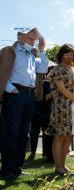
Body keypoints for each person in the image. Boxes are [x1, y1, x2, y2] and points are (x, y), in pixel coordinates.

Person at [0, 28, 48, 180]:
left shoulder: (32, 54)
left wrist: (42, 51)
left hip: (29, 95)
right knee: (11, 131)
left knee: (23, 132)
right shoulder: (9, 51)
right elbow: (1, 71)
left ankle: (16, 167)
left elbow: (43, 68)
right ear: (20, 38)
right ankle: (6, 168)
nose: (32, 42)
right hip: (15, 93)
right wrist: (11, 89)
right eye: (29, 39)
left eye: (33, 39)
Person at [46, 44, 74, 174]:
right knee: (60, 135)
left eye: (72, 54)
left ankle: (63, 164)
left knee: (68, 136)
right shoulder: (57, 69)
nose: (69, 56)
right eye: (67, 54)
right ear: (61, 55)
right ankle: (58, 166)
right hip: (61, 105)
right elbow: (62, 89)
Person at [38, 63, 57, 163]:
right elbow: (39, 99)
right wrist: (50, 95)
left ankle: (57, 157)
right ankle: (48, 156)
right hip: (46, 113)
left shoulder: (60, 83)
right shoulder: (43, 84)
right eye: (51, 71)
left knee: (57, 136)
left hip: (58, 113)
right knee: (47, 135)